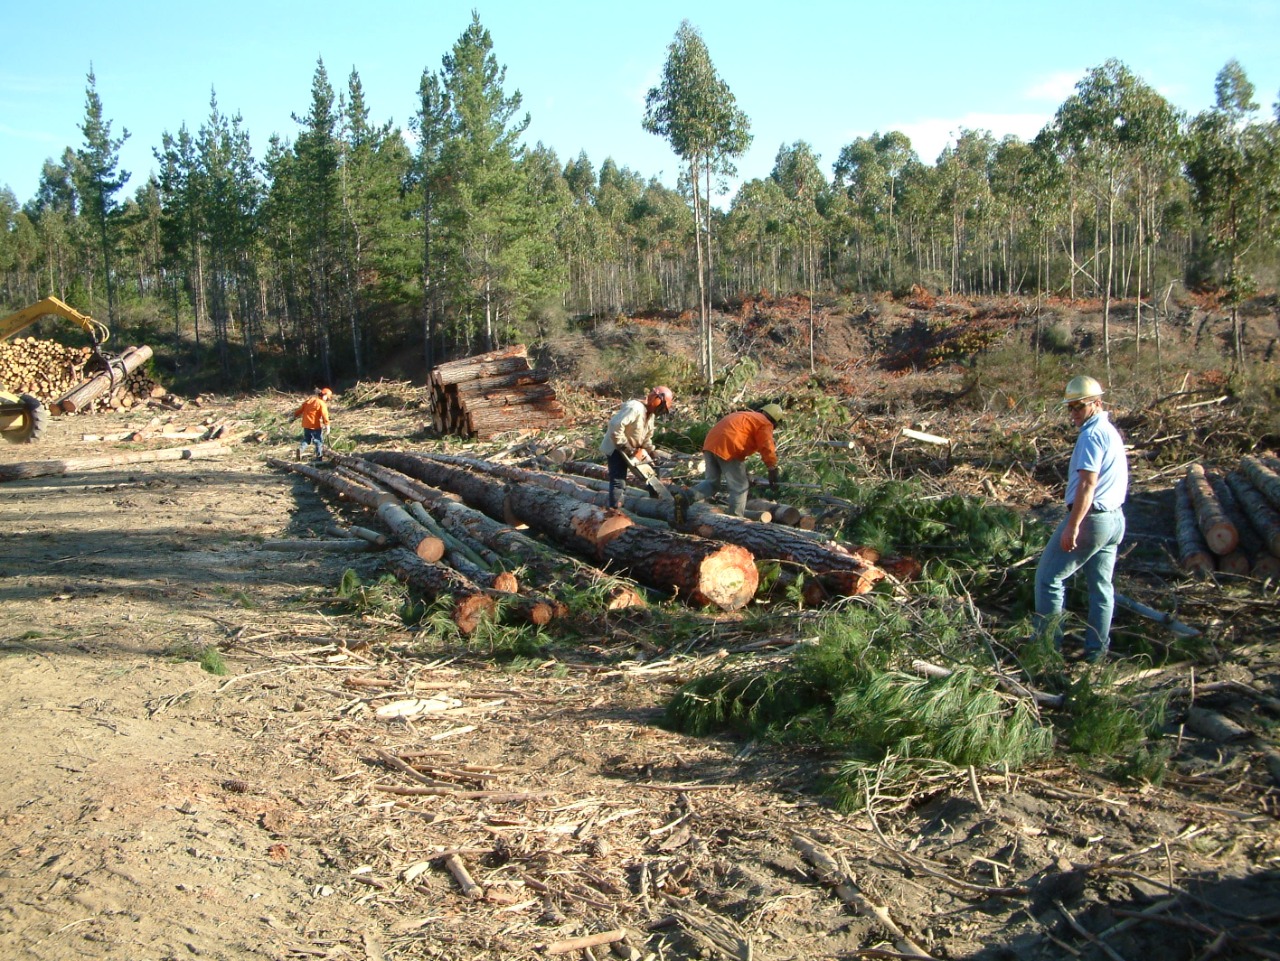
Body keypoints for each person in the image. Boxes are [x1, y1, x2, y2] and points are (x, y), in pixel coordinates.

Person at [1034, 376, 1129, 663]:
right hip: (1114, 521)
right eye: (1070, 407)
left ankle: (1045, 653)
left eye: (1079, 406)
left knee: (1048, 579)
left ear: (1097, 404)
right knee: (1101, 588)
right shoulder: (1109, 431)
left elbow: (1088, 483)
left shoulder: (1091, 435)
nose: (1073, 413)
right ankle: (1096, 654)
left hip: (1093, 520)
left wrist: (1073, 526)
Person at [694, 404, 784, 517]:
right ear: (775, 421)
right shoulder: (764, 423)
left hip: (710, 444)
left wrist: (745, 474)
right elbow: (766, 446)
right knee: (740, 486)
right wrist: (772, 468)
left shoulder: (744, 416)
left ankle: (685, 496)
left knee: (711, 483)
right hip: (729, 446)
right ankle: (735, 520)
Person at [600, 386, 674, 509]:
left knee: (652, 475)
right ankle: (614, 511)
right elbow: (614, 426)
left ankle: (656, 505)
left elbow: (646, 438)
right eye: (661, 407)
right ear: (656, 399)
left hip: (633, 449)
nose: (660, 411)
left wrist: (651, 451)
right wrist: (626, 447)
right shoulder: (634, 408)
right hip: (616, 447)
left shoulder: (650, 415)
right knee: (619, 481)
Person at [293, 387, 333, 461]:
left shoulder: (310, 400)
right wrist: (327, 425)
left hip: (306, 424)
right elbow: (325, 415)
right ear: (325, 396)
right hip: (315, 425)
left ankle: (300, 450)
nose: (327, 401)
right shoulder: (321, 403)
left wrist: (295, 415)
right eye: (327, 399)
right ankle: (319, 458)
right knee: (318, 441)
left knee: (307, 439)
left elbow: (300, 409)